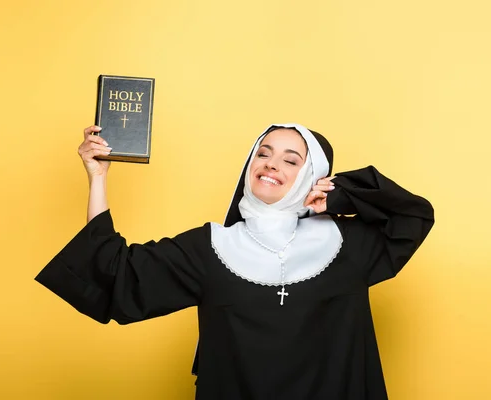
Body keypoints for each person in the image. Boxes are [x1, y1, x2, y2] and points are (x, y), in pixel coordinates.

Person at [35, 123, 435, 399]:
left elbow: (411, 215)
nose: (271, 163)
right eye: (263, 153)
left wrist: (341, 195)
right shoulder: (211, 249)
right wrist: (98, 177)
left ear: (313, 174)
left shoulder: (348, 245)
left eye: (292, 160)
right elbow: (114, 274)